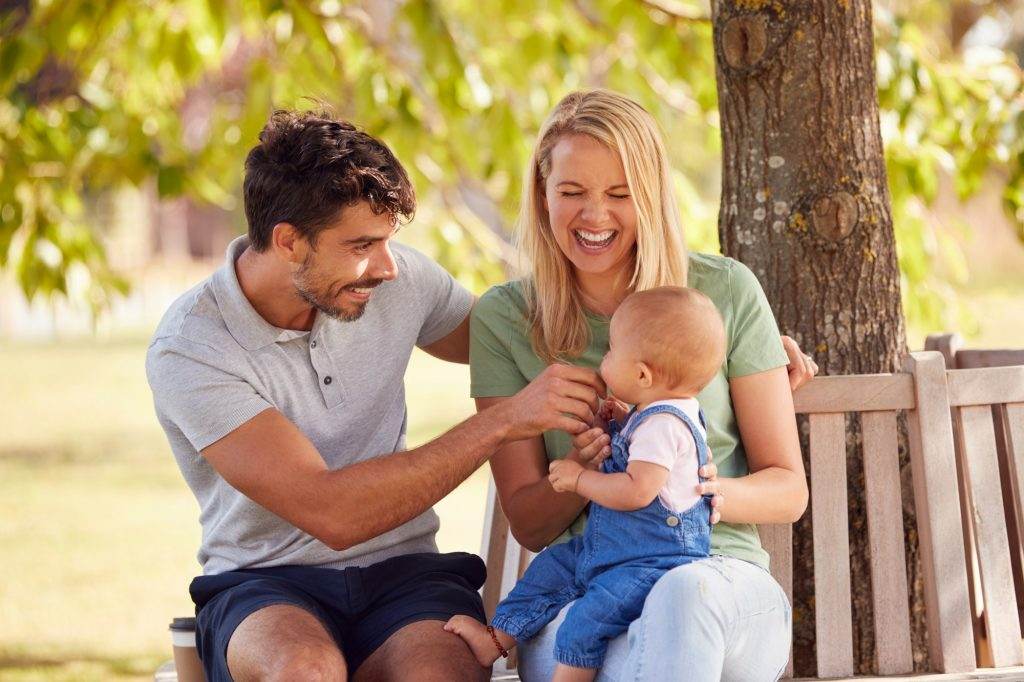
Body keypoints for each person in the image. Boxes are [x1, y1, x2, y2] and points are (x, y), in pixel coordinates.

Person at [145, 109, 607, 682]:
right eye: (362, 243)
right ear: (288, 241)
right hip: (265, 584)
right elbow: (331, 512)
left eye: (389, 240)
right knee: (304, 671)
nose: (388, 267)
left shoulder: (395, 280)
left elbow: (511, 342)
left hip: (407, 576)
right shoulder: (193, 347)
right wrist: (502, 422)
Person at [468, 89, 815, 681]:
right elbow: (529, 522)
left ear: (649, 198)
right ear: (542, 194)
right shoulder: (506, 319)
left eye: (619, 195)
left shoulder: (724, 292)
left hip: (720, 582)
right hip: (584, 594)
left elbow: (788, 489)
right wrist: (590, 475)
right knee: (636, 651)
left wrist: (694, 493)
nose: (594, 216)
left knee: (682, 598)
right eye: (572, 192)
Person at [447, 286, 726, 681]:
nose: (603, 358)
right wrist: (619, 422)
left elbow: (636, 491)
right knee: (550, 569)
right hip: (615, 547)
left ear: (643, 375)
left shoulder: (664, 425)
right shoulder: (653, 414)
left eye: (611, 351)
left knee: (587, 619)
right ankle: (495, 639)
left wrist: (580, 479)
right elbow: (636, 456)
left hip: (653, 562)